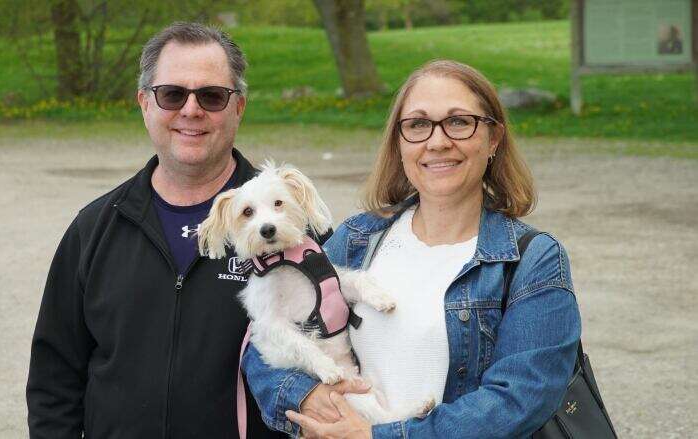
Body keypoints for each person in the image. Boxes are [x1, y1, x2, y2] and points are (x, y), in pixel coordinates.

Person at [241, 59, 581, 438]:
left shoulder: (533, 260)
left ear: (493, 139)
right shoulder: (357, 238)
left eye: (458, 122)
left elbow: (520, 400)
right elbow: (262, 346)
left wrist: (375, 437)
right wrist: (308, 396)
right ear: (400, 143)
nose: (437, 141)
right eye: (418, 125)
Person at [26, 22, 287, 438]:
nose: (191, 110)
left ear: (238, 107)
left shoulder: (292, 229)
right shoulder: (94, 229)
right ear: (144, 103)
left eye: (212, 96)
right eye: (172, 94)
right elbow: (54, 378)